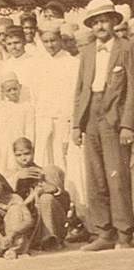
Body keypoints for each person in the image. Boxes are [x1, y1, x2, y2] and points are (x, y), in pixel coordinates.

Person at [72, 0, 134, 250]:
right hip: (91, 117)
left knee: (116, 177)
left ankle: (124, 234)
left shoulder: (127, 48)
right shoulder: (87, 51)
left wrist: (128, 124)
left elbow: (132, 89)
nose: (100, 26)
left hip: (114, 117)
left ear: (113, 22)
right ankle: (104, 233)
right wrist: (77, 124)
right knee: (96, 176)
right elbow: (79, 89)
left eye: (104, 21)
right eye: (95, 22)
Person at [33, 22, 78, 170]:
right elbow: (35, 93)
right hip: (43, 119)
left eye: (53, 40)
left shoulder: (72, 63)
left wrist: (69, 120)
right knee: (43, 160)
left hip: (63, 120)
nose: (50, 45)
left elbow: (73, 94)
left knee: (63, 161)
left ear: (60, 40)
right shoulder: (39, 63)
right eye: (46, 41)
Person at [0, 71, 35, 173]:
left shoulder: (27, 107)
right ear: (3, 92)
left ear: (20, 88)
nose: (13, 92)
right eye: (9, 90)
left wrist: (28, 149)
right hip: (2, 147)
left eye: (15, 89)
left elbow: (30, 130)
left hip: (19, 147)